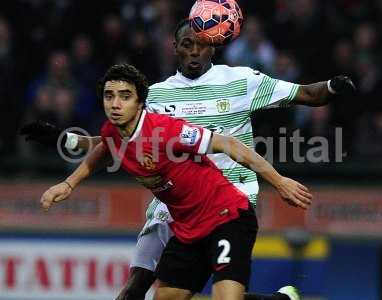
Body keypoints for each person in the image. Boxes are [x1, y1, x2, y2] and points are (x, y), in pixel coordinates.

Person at [21, 19, 355, 300]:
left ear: (214, 46)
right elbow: (113, 141)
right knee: (142, 287)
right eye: (186, 44)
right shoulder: (153, 94)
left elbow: (306, 95)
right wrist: (63, 141)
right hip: (171, 205)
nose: (194, 51)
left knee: (220, 290)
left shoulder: (241, 81)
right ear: (175, 47)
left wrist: (333, 86)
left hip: (230, 196)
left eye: (201, 44)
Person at [39, 63, 312, 300]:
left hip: (227, 217)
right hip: (188, 229)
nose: (115, 104)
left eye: (125, 97)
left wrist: (279, 181)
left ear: (140, 102)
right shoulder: (113, 130)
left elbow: (229, 144)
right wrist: (69, 183)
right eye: (109, 96)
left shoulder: (165, 131)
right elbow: (105, 148)